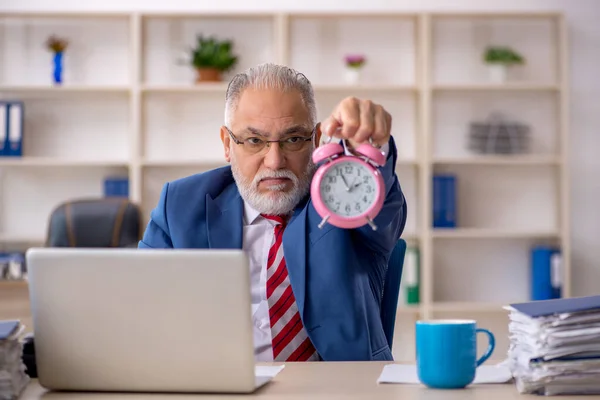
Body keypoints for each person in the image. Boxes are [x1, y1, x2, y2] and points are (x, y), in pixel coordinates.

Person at [139, 63, 407, 362]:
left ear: (316, 139)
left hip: (336, 389)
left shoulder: (342, 196)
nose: (275, 161)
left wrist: (372, 146)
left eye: (293, 139)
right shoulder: (179, 205)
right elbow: (140, 310)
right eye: (254, 141)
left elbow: (380, 212)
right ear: (228, 144)